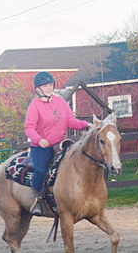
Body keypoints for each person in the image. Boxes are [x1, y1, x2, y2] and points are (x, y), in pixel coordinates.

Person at [24, 71, 91, 217]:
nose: (49, 88)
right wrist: (39, 139)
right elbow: (29, 127)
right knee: (41, 171)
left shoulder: (60, 102)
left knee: (77, 161)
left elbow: (71, 121)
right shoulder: (34, 106)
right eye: (45, 86)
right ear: (37, 89)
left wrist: (86, 125)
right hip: (42, 146)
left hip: (61, 144)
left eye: (50, 85)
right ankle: (38, 200)